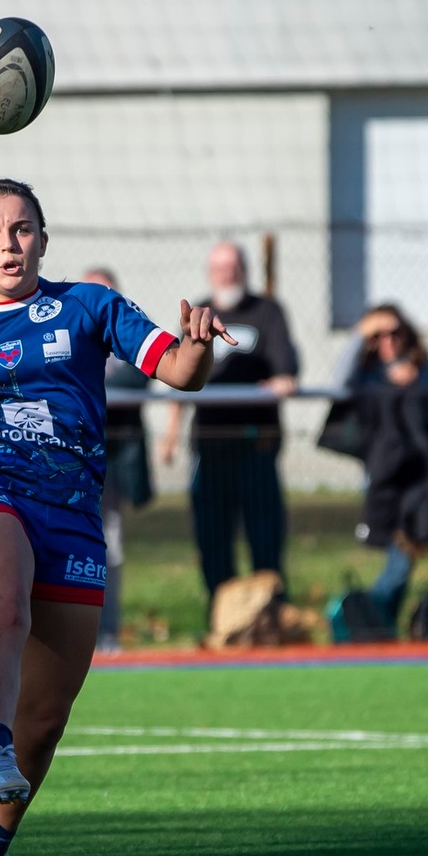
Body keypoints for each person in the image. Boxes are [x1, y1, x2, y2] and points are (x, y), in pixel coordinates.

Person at [0, 178, 228, 856]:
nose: (9, 244)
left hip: (71, 512)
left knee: (47, 719)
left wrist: (195, 345)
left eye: (22, 229)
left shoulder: (88, 306)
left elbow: (181, 374)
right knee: (3, 601)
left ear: (44, 240)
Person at [159, 242, 300, 601]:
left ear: (245, 269)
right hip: (209, 447)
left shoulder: (267, 312)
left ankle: (269, 613)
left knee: (265, 538)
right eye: (220, 268)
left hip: (256, 445)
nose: (227, 274)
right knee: (212, 540)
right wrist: (170, 436)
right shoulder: (198, 314)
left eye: (233, 266)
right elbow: (179, 376)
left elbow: (285, 373)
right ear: (210, 273)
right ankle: (222, 615)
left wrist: (280, 383)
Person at [331, 304, 428, 631]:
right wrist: (359, 335)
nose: (388, 341)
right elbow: (340, 380)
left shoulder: (421, 367)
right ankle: (369, 618)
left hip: (417, 477)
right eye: (379, 335)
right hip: (381, 477)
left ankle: (372, 619)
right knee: (394, 552)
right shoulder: (366, 371)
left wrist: (413, 382)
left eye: (395, 333)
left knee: (405, 552)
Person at [79, 268, 154, 654]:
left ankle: (106, 631)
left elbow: (143, 374)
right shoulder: (64, 330)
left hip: (112, 462)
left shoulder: (127, 330)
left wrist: (91, 388)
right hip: (67, 463)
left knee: (109, 546)